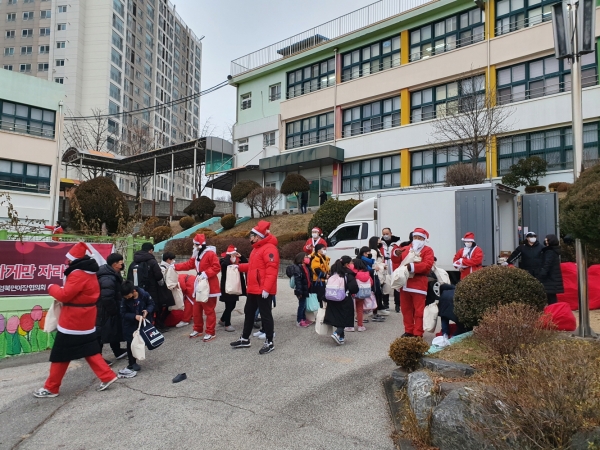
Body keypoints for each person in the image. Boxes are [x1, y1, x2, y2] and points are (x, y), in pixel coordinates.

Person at [34, 243, 117, 398]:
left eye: (69, 259)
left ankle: (51, 388)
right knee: (90, 350)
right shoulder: (90, 273)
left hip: (72, 320)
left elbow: (64, 295)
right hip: (86, 318)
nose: (67, 262)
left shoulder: (78, 274)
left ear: (75, 260)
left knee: (61, 354)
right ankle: (107, 376)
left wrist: (51, 287)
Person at [230, 220, 279, 355]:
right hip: (254, 288)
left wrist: (267, 289)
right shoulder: (257, 249)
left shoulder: (269, 248)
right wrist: (238, 267)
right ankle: (245, 338)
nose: (250, 238)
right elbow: (253, 267)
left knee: (266, 315)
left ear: (258, 236)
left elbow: (272, 270)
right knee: (249, 312)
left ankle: (269, 342)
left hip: (262, 289)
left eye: (251, 235)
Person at [174, 234, 221, 341]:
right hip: (199, 284)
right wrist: (174, 266)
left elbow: (217, 267)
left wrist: (206, 273)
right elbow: (189, 265)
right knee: (196, 309)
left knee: (209, 310)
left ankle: (210, 331)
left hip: (209, 285)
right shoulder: (196, 254)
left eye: (194, 244)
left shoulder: (210, 254)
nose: (193, 246)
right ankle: (198, 329)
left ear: (198, 245)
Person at [397, 228, 435, 338]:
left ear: (424, 239)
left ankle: (418, 332)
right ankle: (408, 330)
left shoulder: (428, 250)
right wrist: (396, 254)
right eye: (415, 237)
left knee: (419, 311)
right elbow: (395, 259)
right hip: (405, 284)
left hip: (418, 285)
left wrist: (412, 267)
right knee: (406, 310)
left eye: (419, 238)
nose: (417, 239)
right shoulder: (407, 248)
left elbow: (427, 266)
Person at [96, 253, 127, 366]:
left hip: (110, 309)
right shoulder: (107, 278)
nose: (122, 263)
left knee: (114, 330)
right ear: (115, 264)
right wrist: (113, 310)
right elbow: (107, 297)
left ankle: (118, 351)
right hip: (104, 311)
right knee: (100, 334)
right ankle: (98, 360)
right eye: (121, 262)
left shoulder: (113, 273)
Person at [120, 281, 155, 376]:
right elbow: (123, 313)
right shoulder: (125, 301)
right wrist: (134, 316)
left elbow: (151, 303)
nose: (126, 298)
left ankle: (139, 355)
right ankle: (132, 363)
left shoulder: (144, 294)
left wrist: (147, 311)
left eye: (127, 295)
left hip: (142, 323)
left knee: (142, 340)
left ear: (133, 291)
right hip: (130, 325)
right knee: (130, 343)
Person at [127, 242, 165, 328]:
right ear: (150, 250)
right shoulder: (152, 261)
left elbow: (129, 277)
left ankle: (141, 325)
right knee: (152, 306)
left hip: (136, 290)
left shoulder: (133, 262)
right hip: (152, 289)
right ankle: (154, 325)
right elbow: (158, 276)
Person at [324, 256, 359, 345]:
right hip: (344, 298)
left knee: (337, 316)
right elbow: (354, 288)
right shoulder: (348, 274)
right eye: (351, 263)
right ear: (347, 264)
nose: (352, 264)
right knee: (345, 317)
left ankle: (341, 338)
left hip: (332, 298)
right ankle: (337, 333)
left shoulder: (333, 273)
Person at [218, 245, 247, 332]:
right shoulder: (223, 260)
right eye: (232, 254)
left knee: (232, 304)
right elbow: (224, 265)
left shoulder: (238, 261)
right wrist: (228, 256)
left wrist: (240, 256)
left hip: (235, 286)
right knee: (229, 305)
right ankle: (227, 324)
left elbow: (246, 262)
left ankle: (222, 320)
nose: (234, 256)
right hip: (227, 286)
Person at [286, 252, 312, 327]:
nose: (308, 258)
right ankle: (299, 320)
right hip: (301, 289)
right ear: (301, 259)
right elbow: (298, 281)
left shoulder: (306, 267)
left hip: (305, 288)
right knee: (302, 305)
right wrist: (299, 292)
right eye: (306, 257)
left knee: (304, 305)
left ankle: (303, 318)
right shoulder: (298, 268)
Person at [537, 234, 564, 305]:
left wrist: (541, 275)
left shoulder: (549, 252)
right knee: (551, 296)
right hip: (553, 277)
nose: (545, 241)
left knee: (550, 297)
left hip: (549, 278)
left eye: (547, 240)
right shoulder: (554, 251)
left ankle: (552, 312)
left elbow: (547, 264)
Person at [381, 228, 402, 313]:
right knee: (385, 284)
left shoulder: (398, 243)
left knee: (397, 286)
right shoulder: (380, 243)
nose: (385, 235)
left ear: (391, 233)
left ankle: (397, 305)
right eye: (384, 234)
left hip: (395, 265)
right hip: (385, 265)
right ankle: (386, 304)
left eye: (387, 233)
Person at [156, 252, 179, 331]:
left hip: (167, 290)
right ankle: (160, 324)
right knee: (165, 308)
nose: (173, 261)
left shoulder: (167, 267)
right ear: (168, 259)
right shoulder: (163, 268)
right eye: (172, 259)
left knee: (168, 307)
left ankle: (161, 324)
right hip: (164, 291)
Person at [347, 258, 370, 332]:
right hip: (363, 293)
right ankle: (360, 326)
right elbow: (371, 282)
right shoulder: (367, 273)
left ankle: (350, 326)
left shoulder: (353, 273)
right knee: (360, 309)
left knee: (350, 310)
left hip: (353, 293)